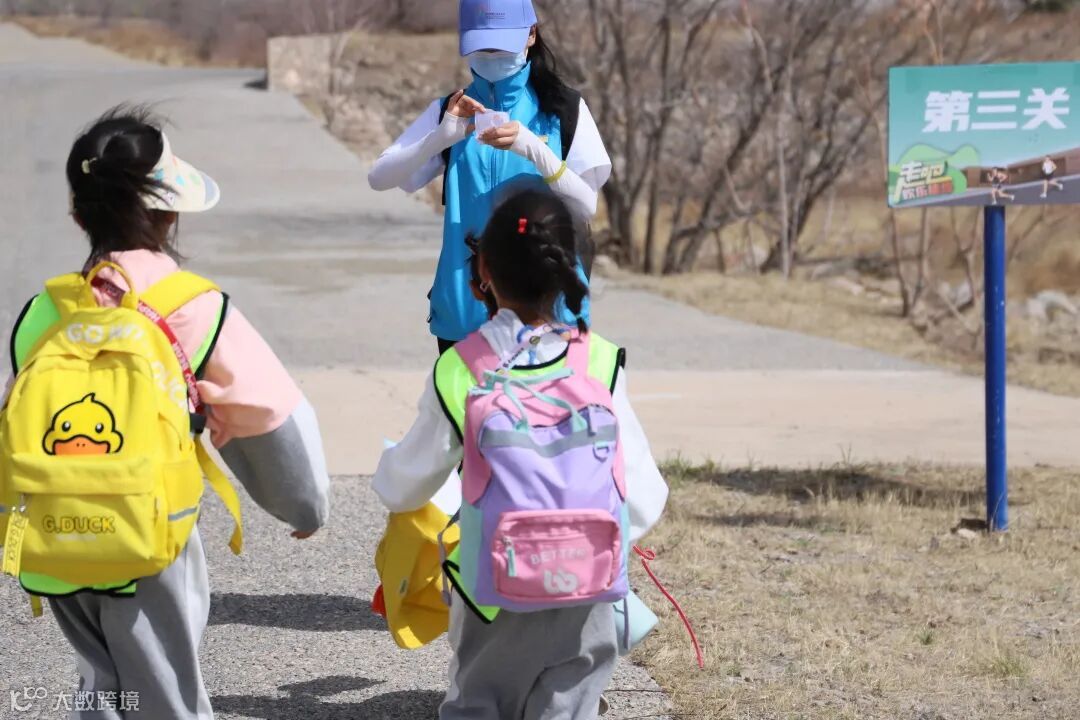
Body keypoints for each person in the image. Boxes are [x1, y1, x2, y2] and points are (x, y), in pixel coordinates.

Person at [1, 107, 330, 720]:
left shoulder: (44, 312)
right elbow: (269, 417)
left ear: (79, 216)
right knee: (165, 693)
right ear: (170, 212)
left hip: (53, 533)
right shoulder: (192, 306)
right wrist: (303, 506)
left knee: (102, 680)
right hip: (147, 534)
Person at [373, 189, 668, 720]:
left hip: (494, 593)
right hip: (589, 589)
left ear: (483, 270)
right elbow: (645, 495)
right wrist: (577, 547)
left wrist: (390, 478)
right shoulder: (600, 361)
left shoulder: (462, 368)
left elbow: (404, 484)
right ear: (567, 270)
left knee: (479, 703)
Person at [368, 0, 611, 355]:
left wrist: (536, 151)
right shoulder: (451, 110)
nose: (491, 56)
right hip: (464, 313)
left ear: (531, 34)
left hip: (546, 314)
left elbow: (586, 206)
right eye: (482, 47)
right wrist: (440, 137)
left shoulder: (564, 110)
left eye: (501, 46)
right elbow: (379, 177)